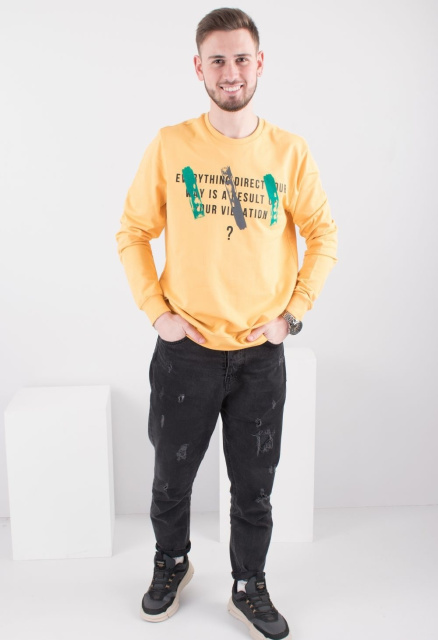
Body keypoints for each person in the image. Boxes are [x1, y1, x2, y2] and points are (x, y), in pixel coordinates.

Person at [115, 7, 337, 639]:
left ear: (259, 63)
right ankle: (171, 562)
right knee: (171, 479)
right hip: (186, 352)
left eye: (241, 58)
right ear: (199, 67)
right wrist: (157, 313)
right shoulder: (171, 145)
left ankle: (248, 584)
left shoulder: (289, 152)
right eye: (217, 60)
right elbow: (132, 232)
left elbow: (323, 235)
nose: (230, 71)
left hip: (260, 356)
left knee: (254, 486)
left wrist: (293, 316)